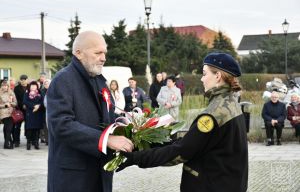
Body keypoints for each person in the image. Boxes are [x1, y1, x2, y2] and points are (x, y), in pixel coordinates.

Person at [117, 53, 248, 192]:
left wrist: (136, 157)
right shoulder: (231, 102)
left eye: (204, 74)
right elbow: (197, 143)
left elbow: (181, 152)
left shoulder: (213, 114)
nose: (202, 79)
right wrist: (153, 145)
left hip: (211, 185)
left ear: (218, 76)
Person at [47, 31, 134, 192]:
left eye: (104, 53)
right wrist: (105, 140)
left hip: (99, 172)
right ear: (78, 53)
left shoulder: (99, 79)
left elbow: (106, 115)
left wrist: (125, 123)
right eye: (98, 52)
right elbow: (61, 125)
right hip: (73, 177)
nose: (103, 58)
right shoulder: (63, 80)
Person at [23, 81, 44, 150]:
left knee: (37, 129)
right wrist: (33, 106)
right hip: (30, 112)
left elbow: (43, 101)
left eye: (34, 86)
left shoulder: (40, 92)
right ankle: (28, 143)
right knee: (30, 129)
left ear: (37, 86)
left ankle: (36, 143)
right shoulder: (27, 93)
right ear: (30, 86)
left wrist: (38, 106)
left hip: (38, 113)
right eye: (32, 86)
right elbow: (25, 101)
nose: (33, 87)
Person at [0, 80, 17, 149]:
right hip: (3, 113)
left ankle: (8, 142)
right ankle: (7, 143)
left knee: (7, 128)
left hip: (11, 113)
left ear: (8, 86)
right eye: (3, 85)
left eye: (6, 85)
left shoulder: (11, 93)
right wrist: (5, 105)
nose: (4, 87)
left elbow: (15, 103)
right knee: (8, 128)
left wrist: (11, 104)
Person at [13, 74, 28, 147]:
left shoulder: (29, 87)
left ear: (27, 80)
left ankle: (29, 140)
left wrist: (27, 105)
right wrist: (22, 105)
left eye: (24, 79)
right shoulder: (16, 88)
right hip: (19, 109)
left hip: (28, 110)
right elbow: (16, 99)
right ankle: (16, 141)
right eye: (22, 80)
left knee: (28, 125)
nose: (23, 81)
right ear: (20, 80)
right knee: (17, 126)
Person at [40, 78, 51, 145]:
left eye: (47, 83)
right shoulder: (41, 91)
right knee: (45, 126)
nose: (46, 84)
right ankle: (47, 140)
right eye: (45, 83)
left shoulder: (53, 90)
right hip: (43, 110)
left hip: (52, 110)